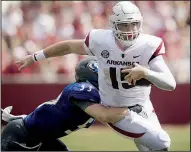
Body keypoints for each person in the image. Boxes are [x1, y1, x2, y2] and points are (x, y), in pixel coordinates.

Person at [15, 1, 176, 151]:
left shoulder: (149, 44)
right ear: (114, 25)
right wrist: (36, 56)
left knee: (151, 147)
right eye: (124, 25)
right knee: (161, 141)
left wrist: (145, 72)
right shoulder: (101, 40)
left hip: (143, 105)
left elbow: (170, 83)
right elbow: (69, 46)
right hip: (115, 108)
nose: (130, 30)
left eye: (134, 24)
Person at [1, 57, 131, 151]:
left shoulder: (94, 95)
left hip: (42, 137)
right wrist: (130, 108)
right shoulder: (83, 89)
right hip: (22, 136)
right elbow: (105, 116)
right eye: (101, 72)